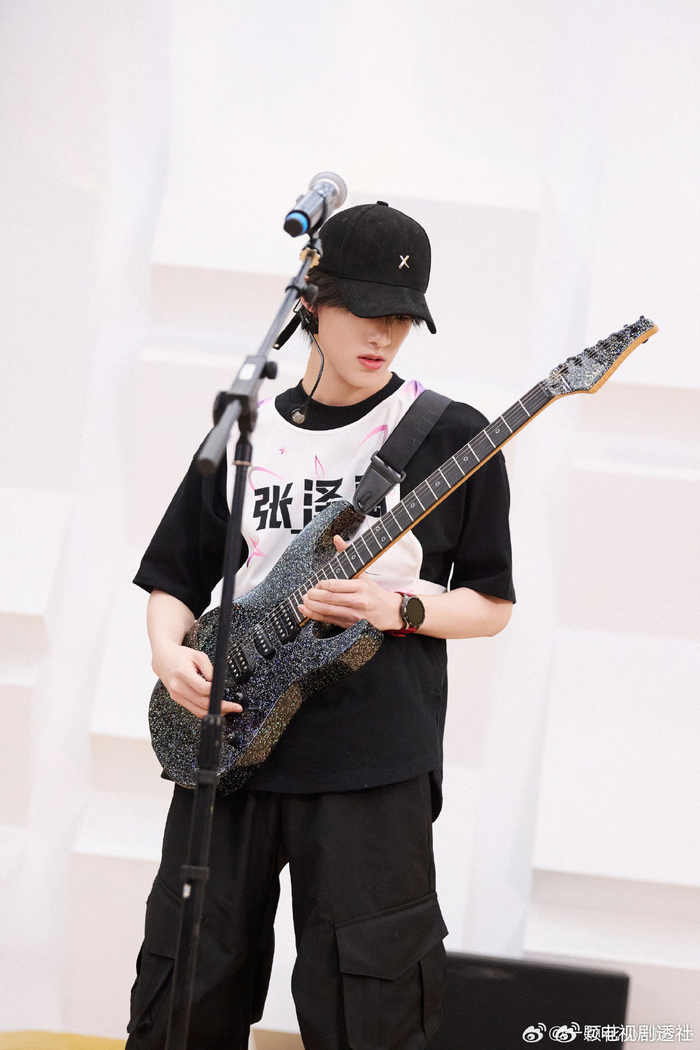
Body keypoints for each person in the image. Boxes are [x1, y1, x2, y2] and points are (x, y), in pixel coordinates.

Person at [126, 201, 515, 1050]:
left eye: (403, 318)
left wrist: (397, 608)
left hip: (372, 760)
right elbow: (174, 577)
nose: (385, 335)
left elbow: (492, 604)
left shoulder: (450, 436)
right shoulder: (246, 431)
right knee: (185, 989)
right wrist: (167, 656)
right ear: (311, 302)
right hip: (229, 743)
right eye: (366, 310)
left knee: (370, 1010)